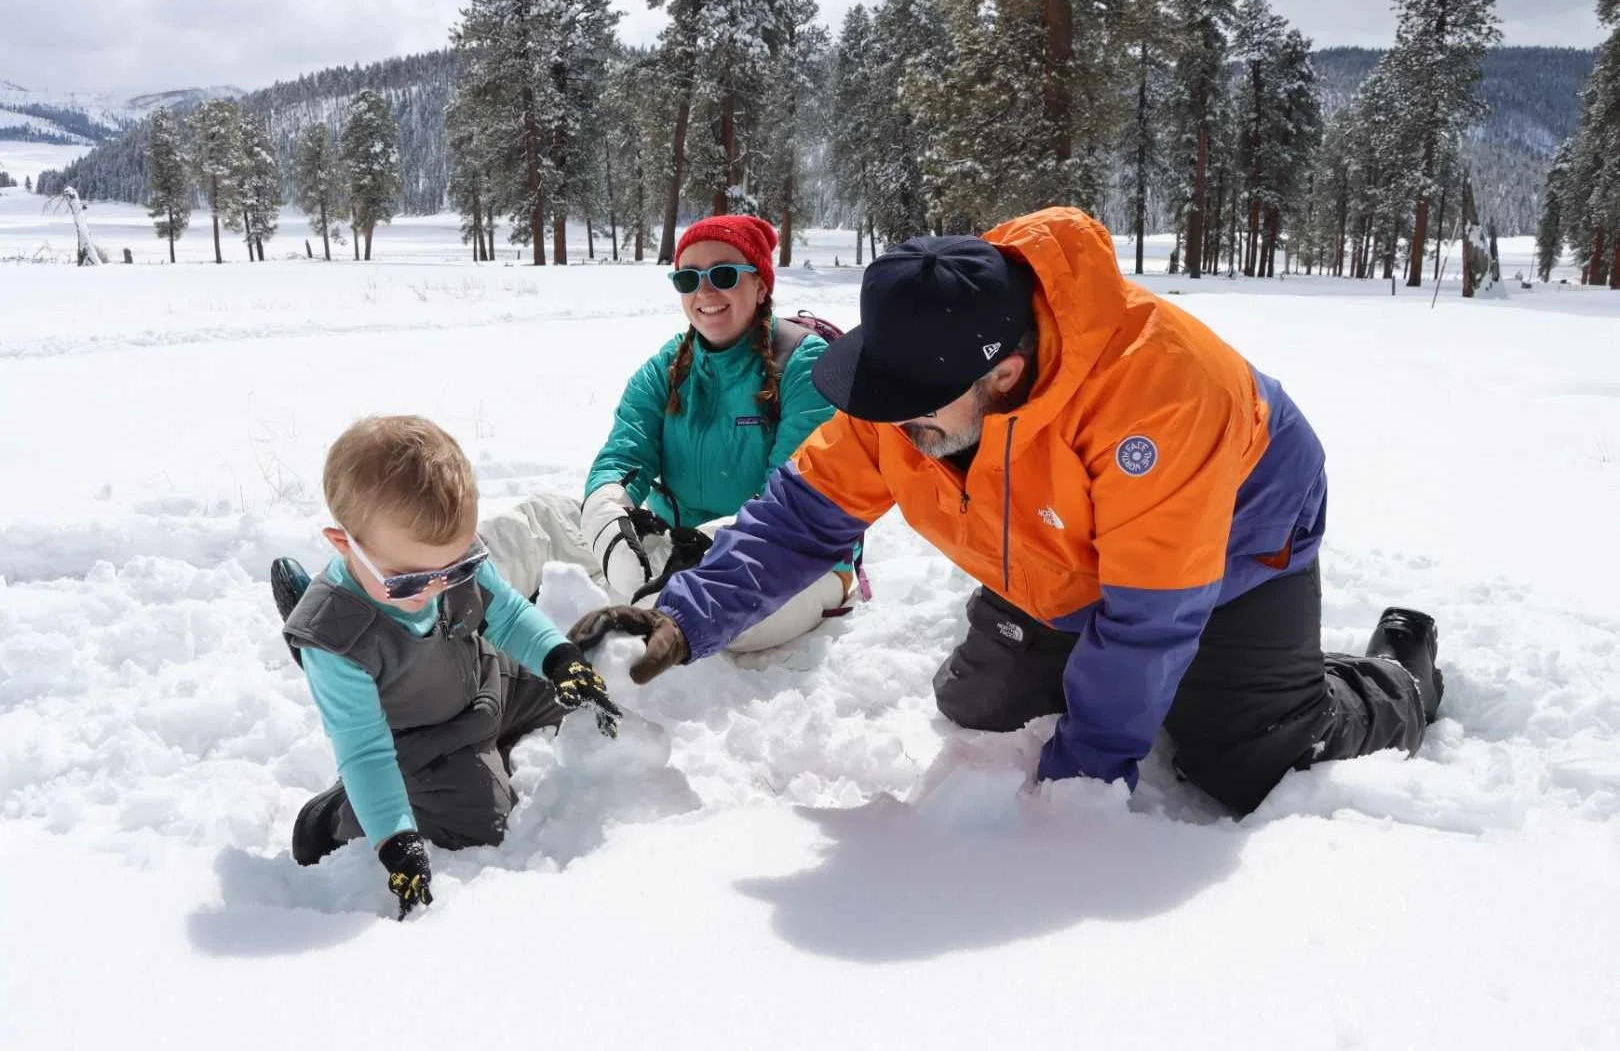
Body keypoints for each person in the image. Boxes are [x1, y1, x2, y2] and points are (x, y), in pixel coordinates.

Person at [566, 205, 1446, 819]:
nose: (896, 431)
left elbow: (1148, 616)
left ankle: (1393, 676)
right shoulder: (911, 394)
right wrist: (681, 617)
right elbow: (799, 520)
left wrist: (1075, 801)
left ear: (1008, 375)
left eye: (916, 412)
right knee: (982, 706)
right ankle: (1193, 683)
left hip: (1234, 542)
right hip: (1059, 549)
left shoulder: (1159, 396)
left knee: (1248, 754)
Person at [269, 415, 622, 918]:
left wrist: (559, 658)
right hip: (421, 737)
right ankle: (335, 815)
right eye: (409, 582)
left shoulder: (435, 557)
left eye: (456, 568)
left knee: (582, 697)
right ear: (344, 544)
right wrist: (396, 841)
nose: (437, 587)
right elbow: (367, 754)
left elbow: (504, 609)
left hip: (484, 677)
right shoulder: (341, 646)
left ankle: (491, 721)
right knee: (484, 829)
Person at [479, 213, 861, 654]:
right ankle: (446, 590)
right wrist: (608, 514)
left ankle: (654, 606)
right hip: (674, 541)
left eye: (723, 274)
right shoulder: (667, 367)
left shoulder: (804, 364)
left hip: (785, 556)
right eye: (688, 278)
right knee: (544, 520)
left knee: (724, 616)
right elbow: (625, 453)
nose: (705, 291)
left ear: (760, 286)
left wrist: (706, 547)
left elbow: (793, 498)